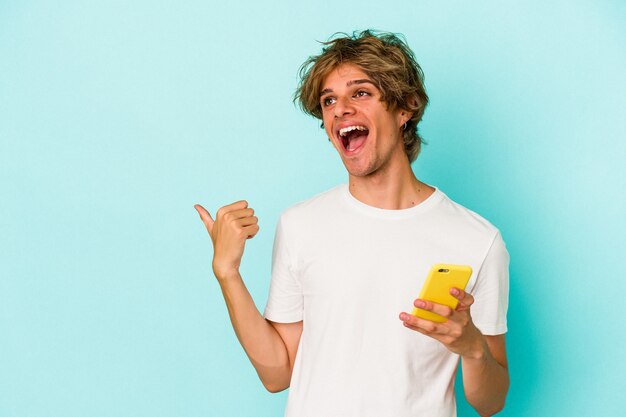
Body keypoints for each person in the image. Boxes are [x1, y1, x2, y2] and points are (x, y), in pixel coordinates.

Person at [195, 30, 510, 417]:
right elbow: (278, 374)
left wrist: (473, 347)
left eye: (360, 93)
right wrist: (227, 272)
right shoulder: (301, 225)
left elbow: (490, 402)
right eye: (329, 100)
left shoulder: (477, 239)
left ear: (405, 107)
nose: (340, 109)